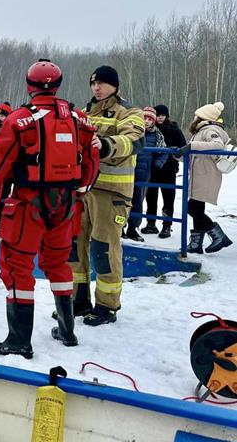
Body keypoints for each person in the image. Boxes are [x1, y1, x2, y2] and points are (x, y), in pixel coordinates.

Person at [0, 60, 99, 358]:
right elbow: (92, 156)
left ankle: (19, 339)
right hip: (66, 204)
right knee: (59, 263)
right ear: (58, 84)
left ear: (29, 86)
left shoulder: (21, 120)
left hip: (28, 204)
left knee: (17, 266)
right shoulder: (78, 118)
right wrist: (82, 187)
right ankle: (67, 330)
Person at [71, 65, 144, 327]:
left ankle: (106, 306)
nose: (96, 88)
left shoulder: (129, 112)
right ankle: (77, 301)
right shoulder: (84, 112)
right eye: (93, 84)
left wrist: (106, 145)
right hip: (82, 191)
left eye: (102, 83)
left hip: (111, 193)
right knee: (75, 248)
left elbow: (134, 139)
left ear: (115, 85)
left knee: (104, 249)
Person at [178, 102, 233, 254]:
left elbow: (217, 144)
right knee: (197, 208)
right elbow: (195, 154)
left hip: (206, 176)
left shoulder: (211, 130)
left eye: (197, 116)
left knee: (193, 208)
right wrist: (180, 155)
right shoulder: (203, 130)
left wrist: (191, 145)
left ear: (203, 117)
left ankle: (218, 235)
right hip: (201, 175)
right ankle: (196, 245)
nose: (194, 118)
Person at [142, 104, 186, 238]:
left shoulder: (173, 128)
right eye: (158, 115)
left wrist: (174, 152)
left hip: (168, 169)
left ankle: (167, 226)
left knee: (168, 198)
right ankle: (151, 223)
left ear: (166, 116)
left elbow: (182, 145)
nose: (160, 118)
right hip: (153, 168)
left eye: (163, 115)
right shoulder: (150, 129)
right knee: (151, 197)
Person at [124, 107, 167, 241]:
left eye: (150, 119)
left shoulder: (157, 135)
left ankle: (133, 229)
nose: (147, 121)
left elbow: (164, 151)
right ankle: (119, 228)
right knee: (123, 201)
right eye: (145, 118)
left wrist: (157, 164)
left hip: (143, 173)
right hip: (127, 171)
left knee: (137, 202)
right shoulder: (133, 131)